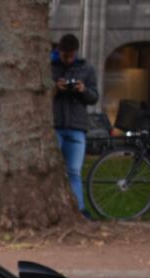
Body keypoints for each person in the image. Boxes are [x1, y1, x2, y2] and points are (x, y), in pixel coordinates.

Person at [51, 33, 99, 214]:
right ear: (59, 52)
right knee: (53, 171)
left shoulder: (86, 68)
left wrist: (83, 90)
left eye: (72, 56)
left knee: (74, 171)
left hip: (77, 126)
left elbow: (94, 97)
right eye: (65, 56)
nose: (69, 60)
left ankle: (80, 209)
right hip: (55, 125)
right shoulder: (51, 67)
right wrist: (55, 87)